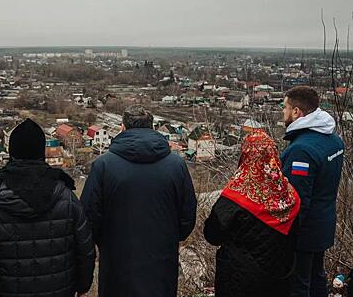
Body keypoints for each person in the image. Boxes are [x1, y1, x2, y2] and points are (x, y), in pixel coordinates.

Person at [0, 118, 95, 297]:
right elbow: (85, 250)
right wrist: (82, 286)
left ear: (12, 151)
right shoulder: (66, 197)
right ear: (41, 151)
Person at [81, 105, 197, 297]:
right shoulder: (176, 165)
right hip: (162, 262)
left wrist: (105, 243)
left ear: (122, 128)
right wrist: (168, 238)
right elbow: (187, 216)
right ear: (152, 128)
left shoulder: (103, 165)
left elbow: (89, 218)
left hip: (117, 263)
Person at [204, 130, 301, 297]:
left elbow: (212, 235)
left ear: (245, 156)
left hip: (238, 281)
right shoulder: (289, 196)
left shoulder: (235, 196)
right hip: (280, 279)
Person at [281, 86, 345, 297]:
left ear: (297, 112)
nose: (284, 113)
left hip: (304, 231)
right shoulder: (333, 139)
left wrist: (286, 236)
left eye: (286, 108)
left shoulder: (302, 150)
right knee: (317, 276)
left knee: (298, 284)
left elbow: (297, 199)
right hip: (324, 223)